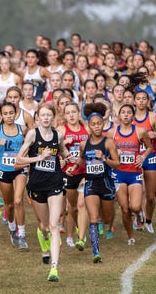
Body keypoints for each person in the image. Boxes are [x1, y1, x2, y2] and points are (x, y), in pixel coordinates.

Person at [16, 103, 75, 282]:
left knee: (54, 224)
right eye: (43, 115)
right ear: (37, 117)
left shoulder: (58, 134)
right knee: (43, 225)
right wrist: (39, 158)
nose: (46, 118)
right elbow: (18, 159)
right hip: (36, 186)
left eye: (49, 115)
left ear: (54, 117)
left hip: (55, 183)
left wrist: (68, 157)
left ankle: (54, 268)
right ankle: (44, 240)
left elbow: (62, 150)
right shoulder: (33, 134)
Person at [71, 102, 119, 261]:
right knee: (93, 217)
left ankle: (108, 226)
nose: (97, 127)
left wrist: (104, 158)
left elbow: (117, 164)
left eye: (99, 124)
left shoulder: (108, 142)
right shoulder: (84, 144)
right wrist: (74, 167)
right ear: (89, 126)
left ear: (103, 124)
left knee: (106, 217)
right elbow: (82, 158)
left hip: (106, 183)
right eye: (93, 124)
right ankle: (96, 252)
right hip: (91, 183)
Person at [0, 102, 29, 250]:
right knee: (8, 204)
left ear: (15, 114)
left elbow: (30, 145)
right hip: (4, 170)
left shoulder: (23, 129)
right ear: (1, 115)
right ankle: (12, 226)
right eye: (5, 113)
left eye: (11, 113)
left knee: (18, 200)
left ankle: (21, 234)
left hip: (20, 168)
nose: (9, 116)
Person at [113, 103, 152, 245]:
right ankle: (130, 237)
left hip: (134, 173)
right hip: (118, 174)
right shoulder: (113, 132)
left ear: (132, 115)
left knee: (134, 206)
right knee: (124, 209)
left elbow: (149, 147)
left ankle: (139, 213)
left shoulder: (140, 131)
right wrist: (113, 152)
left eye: (128, 112)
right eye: (123, 112)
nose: (125, 115)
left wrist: (142, 156)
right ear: (119, 115)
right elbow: (104, 148)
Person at [133, 90, 156, 232]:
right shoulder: (129, 117)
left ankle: (148, 220)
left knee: (150, 195)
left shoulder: (152, 116)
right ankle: (138, 215)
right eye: (138, 99)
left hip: (150, 157)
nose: (141, 101)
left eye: (143, 99)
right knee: (137, 191)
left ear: (148, 101)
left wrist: (155, 135)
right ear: (134, 101)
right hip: (135, 158)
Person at [58, 102, 89, 251]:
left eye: (73, 112)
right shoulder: (62, 130)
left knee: (82, 203)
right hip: (68, 172)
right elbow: (51, 148)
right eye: (68, 112)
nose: (71, 115)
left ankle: (81, 236)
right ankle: (73, 232)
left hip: (84, 171)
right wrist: (64, 143)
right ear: (64, 115)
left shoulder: (86, 129)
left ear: (78, 113)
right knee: (73, 207)